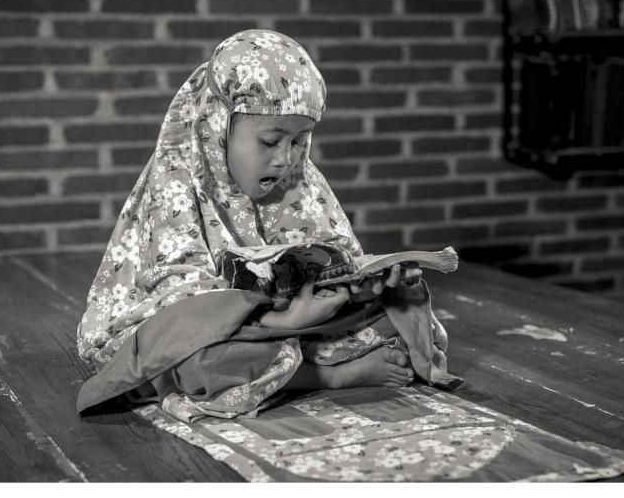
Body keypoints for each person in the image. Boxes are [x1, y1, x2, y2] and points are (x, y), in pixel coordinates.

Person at [75, 29, 455, 421]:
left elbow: (334, 255)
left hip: (300, 320)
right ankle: (327, 375)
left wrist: (361, 287)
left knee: (405, 313)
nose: (286, 160)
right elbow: (182, 303)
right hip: (226, 329)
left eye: (299, 141)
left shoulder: (300, 179)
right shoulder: (176, 180)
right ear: (218, 125)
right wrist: (283, 320)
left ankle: (289, 362)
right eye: (270, 142)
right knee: (196, 358)